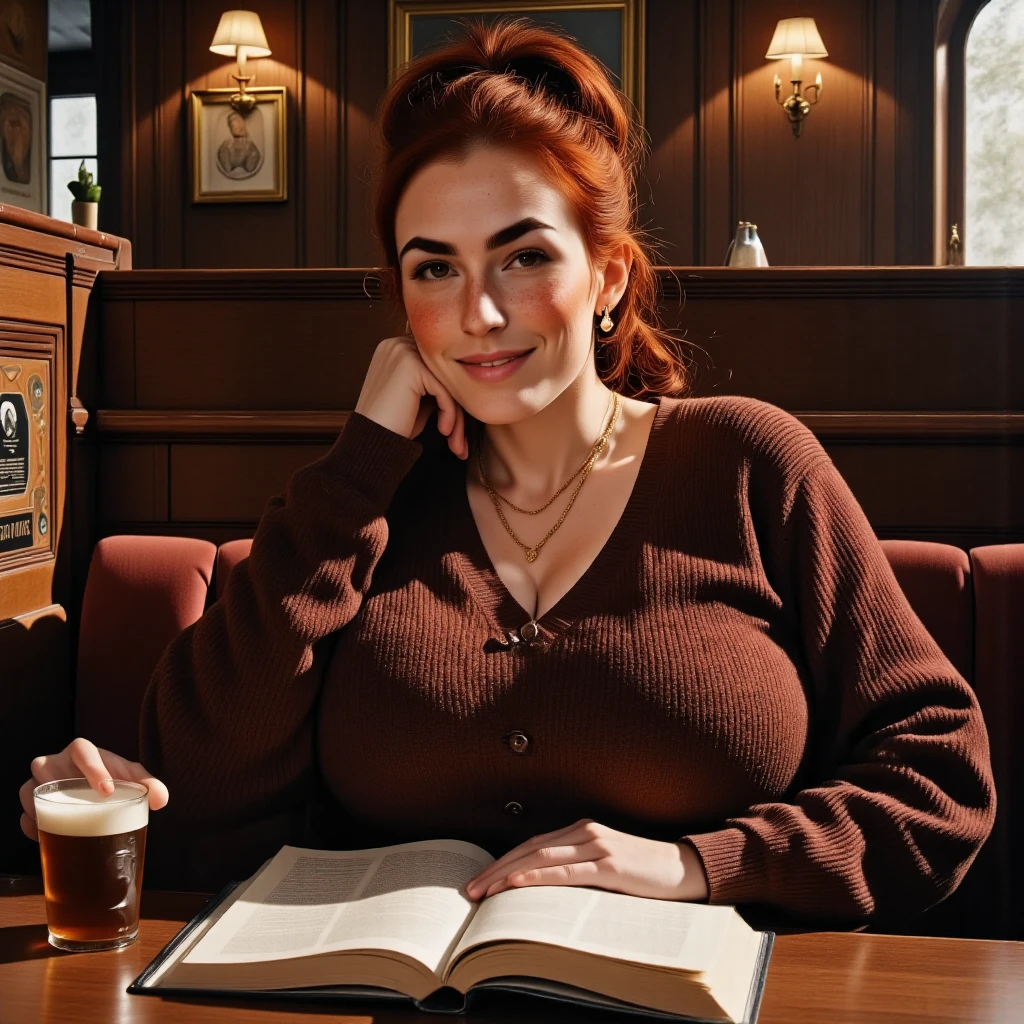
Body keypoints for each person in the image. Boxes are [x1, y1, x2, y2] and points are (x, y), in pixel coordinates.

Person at [20, 17, 995, 927]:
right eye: (433, 268)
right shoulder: (362, 502)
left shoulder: (751, 464)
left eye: (522, 256)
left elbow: (940, 776)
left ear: (608, 275)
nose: (478, 313)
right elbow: (196, 781)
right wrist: (361, 461)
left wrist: (701, 865)